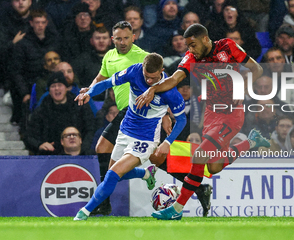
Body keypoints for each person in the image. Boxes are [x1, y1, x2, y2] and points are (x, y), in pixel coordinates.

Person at [135, 23, 270, 220]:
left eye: (193, 44)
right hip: (211, 115)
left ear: (205, 39)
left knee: (199, 155)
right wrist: (153, 89)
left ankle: (176, 209)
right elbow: (174, 79)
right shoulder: (191, 58)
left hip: (231, 114)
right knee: (213, 166)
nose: (190, 49)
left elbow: (256, 68)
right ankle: (251, 142)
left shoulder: (227, 47)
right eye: (188, 46)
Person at [73, 53, 187, 221]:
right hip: (125, 131)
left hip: (146, 139)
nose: (149, 81)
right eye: (147, 77)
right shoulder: (134, 71)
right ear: (142, 68)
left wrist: (168, 142)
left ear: (162, 71)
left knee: (111, 174)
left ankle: (84, 212)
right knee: (114, 176)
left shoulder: (170, 91)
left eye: (154, 78)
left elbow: (182, 119)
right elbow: (107, 82)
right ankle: (145, 174)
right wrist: (89, 92)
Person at [8, 9, 61, 125]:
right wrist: (24, 93)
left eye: (42, 22)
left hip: (52, 83)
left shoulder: (55, 41)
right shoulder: (23, 44)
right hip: (30, 85)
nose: (40, 26)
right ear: (31, 23)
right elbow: (17, 71)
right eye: (37, 22)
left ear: (47, 23)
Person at [24, 72, 95, 155]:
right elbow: (29, 135)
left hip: (79, 153)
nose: (57, 89)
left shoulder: (80, 105)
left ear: (66, 88)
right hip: (51, 155)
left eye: (60, 85)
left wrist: (83, 148)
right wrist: (39, 145)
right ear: (49, 91)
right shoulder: (41, 110)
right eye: (53, 86)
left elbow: (91, 128)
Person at [70, 26, 112, 92]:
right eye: (98, 38)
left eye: (104, 38)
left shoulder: (118, 58)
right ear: (91, 41)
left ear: (110, 41)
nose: (101, 41)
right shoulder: (83, 60)